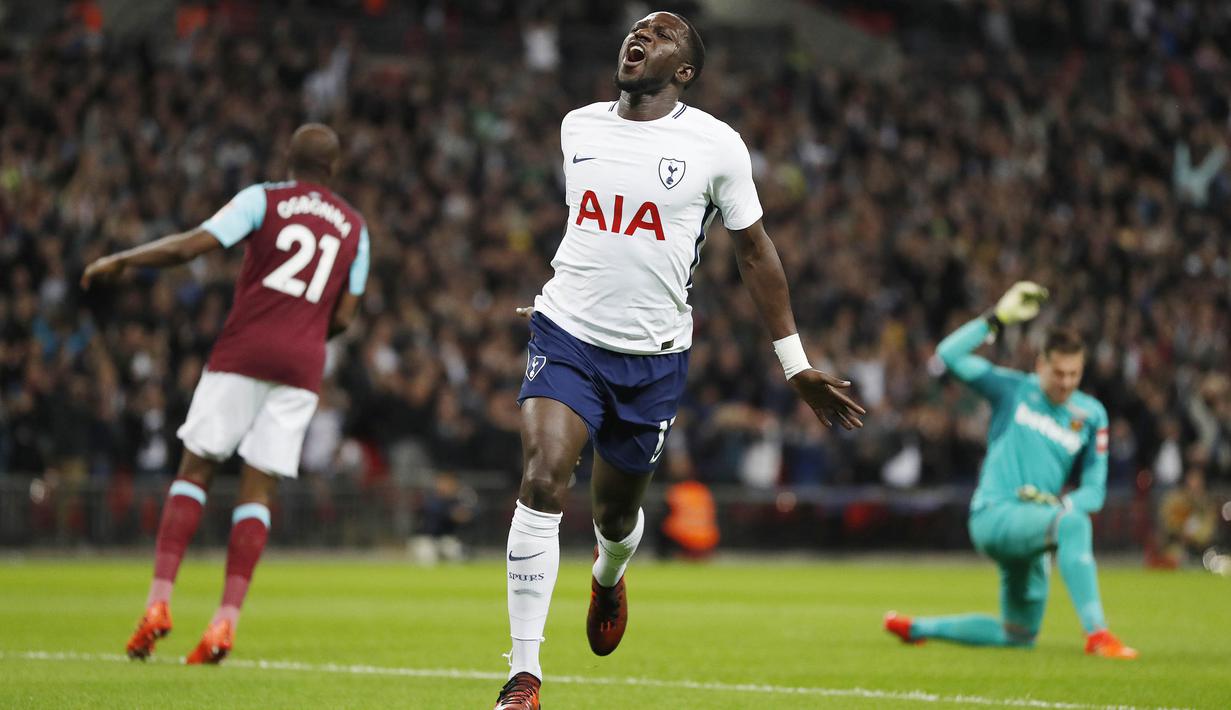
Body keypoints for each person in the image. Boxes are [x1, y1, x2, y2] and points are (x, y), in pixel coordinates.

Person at [493, 12, 865, 710]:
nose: (639, 37)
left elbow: (754, 252)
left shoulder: (715, 146)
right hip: (566, 335)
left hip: (652, 359)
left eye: (660, 35)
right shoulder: (578, 126)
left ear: (685, 70)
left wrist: (795, 364)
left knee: (614, 517)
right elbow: (593, 232)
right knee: (543, 478)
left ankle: (608, 576)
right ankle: (523, 676)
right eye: (635, 30)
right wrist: (563, 299)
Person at [81, 124, 370, 664]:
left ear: (289, 159)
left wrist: (124, 259)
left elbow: (193, 245)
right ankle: (224, 623)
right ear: (334, 169)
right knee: (257, 491)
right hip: (302, 366)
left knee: (196, 470)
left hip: (244, 350)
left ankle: (158, 604)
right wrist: (305, 333)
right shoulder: (356, 227)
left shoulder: (264, 198)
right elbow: (347, 316)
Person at [883, 282, 1137, 659]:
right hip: (994, 514)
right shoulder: (1012, 390)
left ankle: (916, 628)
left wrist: (1062, 503)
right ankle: (1098, 635)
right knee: (1074, 524)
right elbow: (948, 355)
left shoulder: (1092, 415)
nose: (1066, 382)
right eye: (1058, 373)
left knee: (1018, 635)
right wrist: (997, 318)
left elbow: (1095, 489)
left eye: (1074, 374)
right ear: (1040, 365)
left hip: (1035, 525)